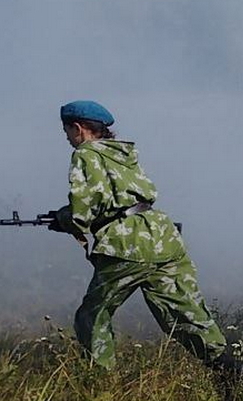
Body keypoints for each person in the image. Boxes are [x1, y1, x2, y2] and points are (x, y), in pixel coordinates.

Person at [49, 100, 233, 373]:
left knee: (93, 314)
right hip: (162, 236)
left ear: (78, 129)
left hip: (127, 244)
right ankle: (226, 368)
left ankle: (100, 381)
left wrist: (62, 219)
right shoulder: (123, 153)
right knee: (182, 311)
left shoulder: (86, 154)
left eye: (66, 131)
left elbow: (84, 210)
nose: (66, 138)